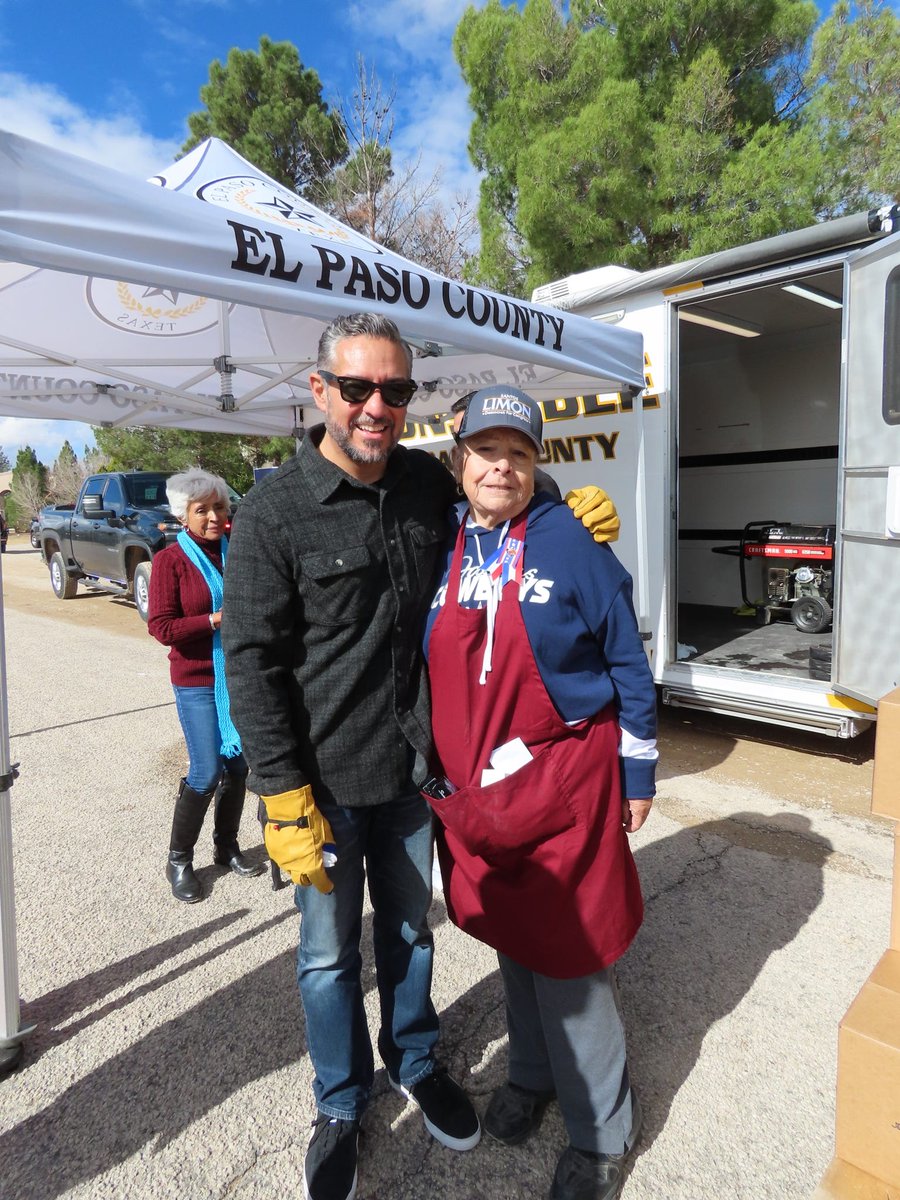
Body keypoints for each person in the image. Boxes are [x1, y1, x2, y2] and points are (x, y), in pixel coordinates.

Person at [222, 313, 624, 1200]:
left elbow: (498, 495)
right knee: (328, 959)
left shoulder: (419, 487)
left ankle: (414, 1061)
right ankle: (339, 1102)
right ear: (319, 391)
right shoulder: (272, 511)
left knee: (409, 933)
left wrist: (559, 504)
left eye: (395, 391)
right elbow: (248, 661)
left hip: (413, 780)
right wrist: (280, 789)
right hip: (320, 790)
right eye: (358, 388)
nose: (376, 407)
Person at [422, 385, 658, 1200]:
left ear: (537, 468)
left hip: (563, 788)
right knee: (512, 942)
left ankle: (603, 1131)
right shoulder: (443, 545)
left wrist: (638, 772)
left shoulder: (571, 545)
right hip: (479, 797)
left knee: (571, 962)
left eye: (519, 454)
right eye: (487, 451)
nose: (502, 467)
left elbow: (629, 665)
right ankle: (532, 1075)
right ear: (458, 463)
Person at [148, 468, 263, 903]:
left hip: (238, 674)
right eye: (203, 510)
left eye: (219, 506)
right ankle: (179, 859)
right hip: (196, 678)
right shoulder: (169, 561)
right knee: (206, 770)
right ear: (184, 516)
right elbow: (161, 626)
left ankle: (226, 846)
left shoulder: (240, 552)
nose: (214, 517)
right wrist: (214, 620)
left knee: (238, 766)